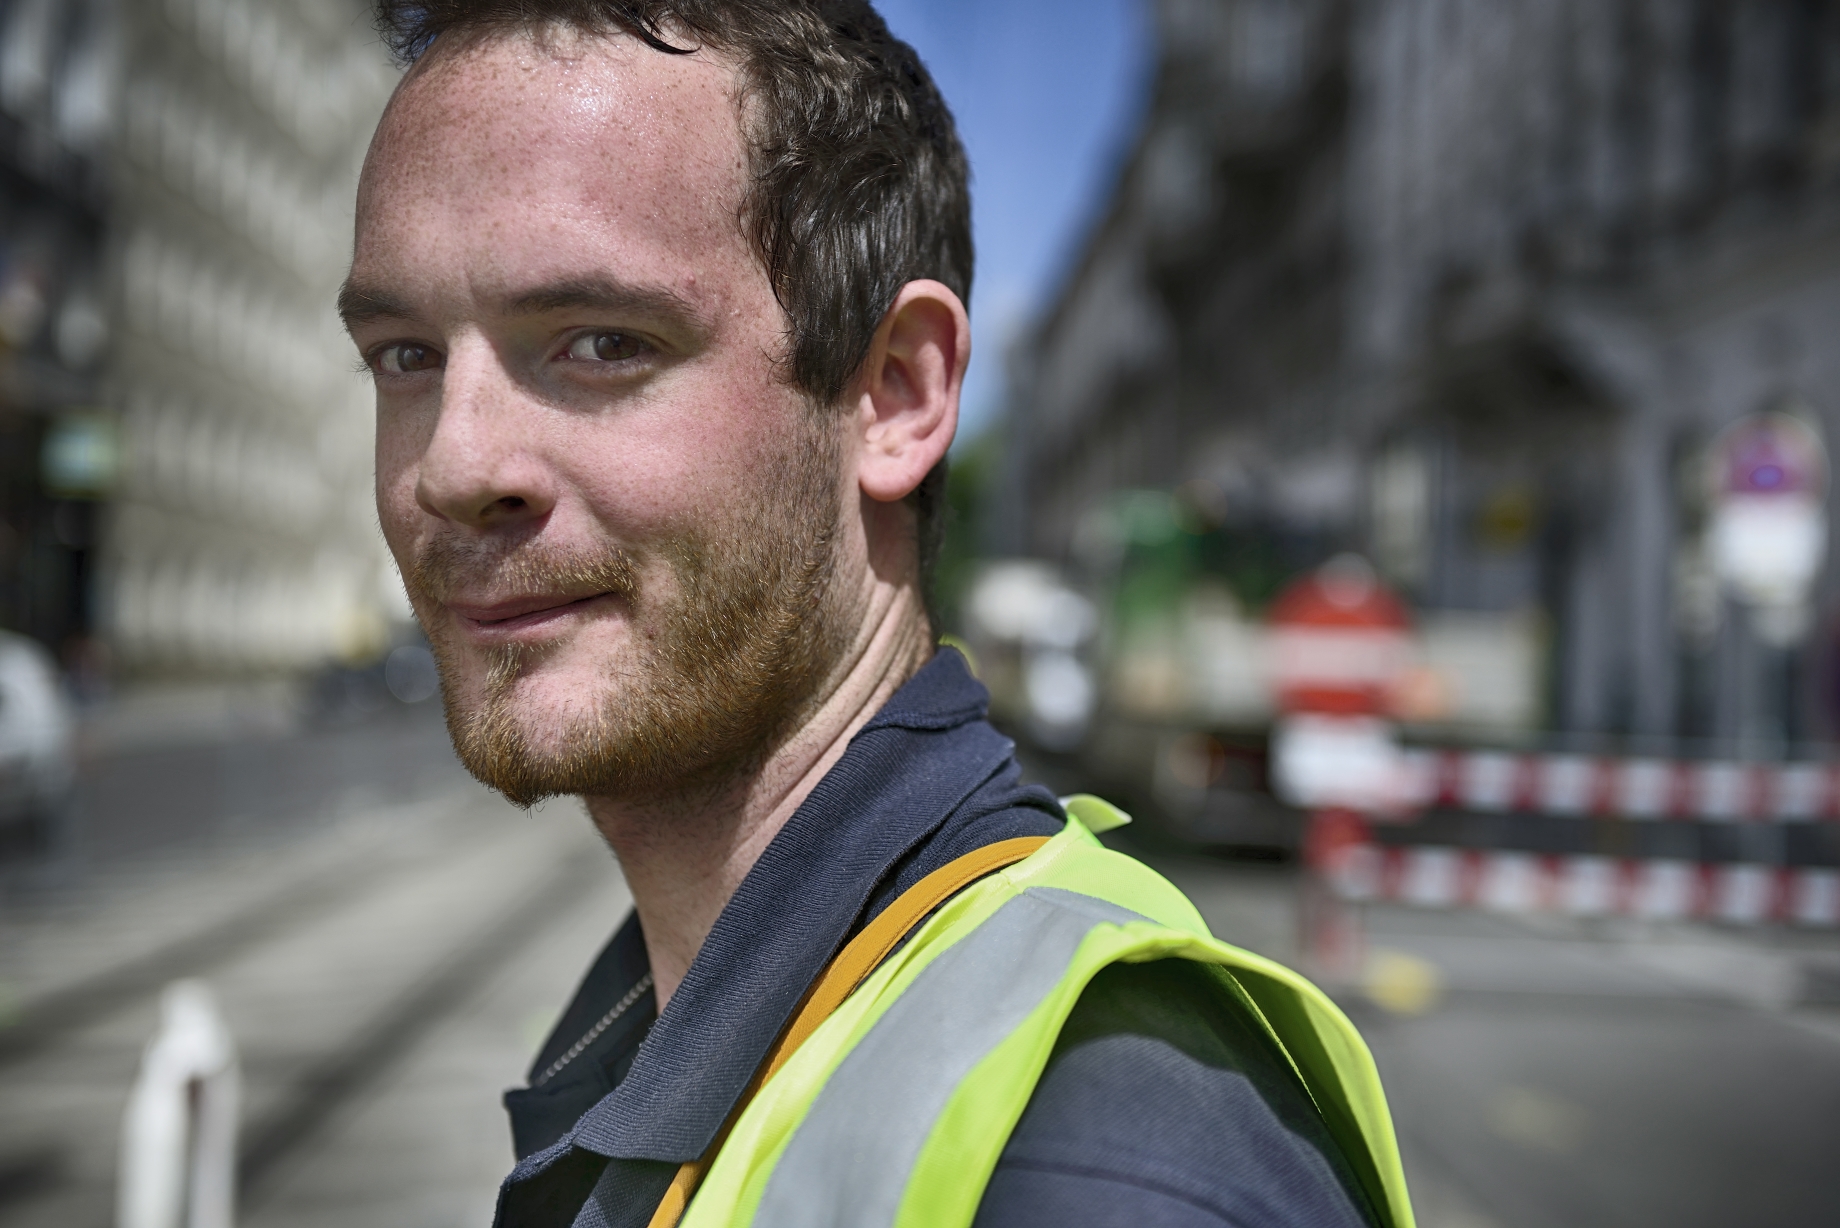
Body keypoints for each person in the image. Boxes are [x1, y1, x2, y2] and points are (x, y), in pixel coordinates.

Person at [341, 3, 1413, 1226]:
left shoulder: (1102, 1150)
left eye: (600, 341)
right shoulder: (691, 1002)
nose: (453, 466)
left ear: (895, 395)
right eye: (406, 358)